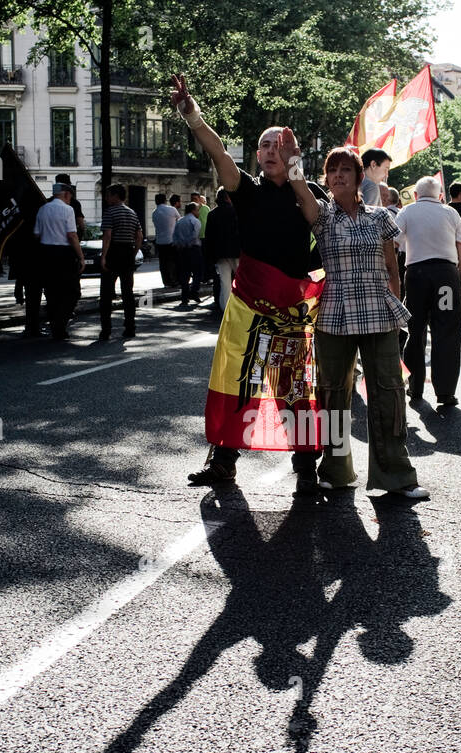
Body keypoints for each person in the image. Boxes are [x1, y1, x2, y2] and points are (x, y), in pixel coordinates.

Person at [170, 74, 324, 494]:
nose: (270, 151)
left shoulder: (307, 191)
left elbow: (316, 221)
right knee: (237, 382)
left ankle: (307, 468)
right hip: (247, 305)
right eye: (265, 145)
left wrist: (296, 171)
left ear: (292, 153)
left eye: (280, 145)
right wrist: (193, 117)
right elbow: (218, 152)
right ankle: (223, 462)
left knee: (293, 388)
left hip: (290, 309)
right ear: (256, 155)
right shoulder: (246, 189)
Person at [288, 143, 429, 499]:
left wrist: (396, 307)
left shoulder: (380, 217)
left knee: (389, 393)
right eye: (332, 171)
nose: (337, 176)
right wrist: (292, 160)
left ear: (358, 177)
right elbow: (299, 190)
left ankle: (396, 475)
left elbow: (393, 269)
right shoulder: (321, 215)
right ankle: (335, 472)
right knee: (332, 395)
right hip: (333, 316)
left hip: (379, 312)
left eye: (345, 170)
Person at [394, 175, 461, 406]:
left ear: (415, 195)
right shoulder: (451, 213)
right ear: (441, 196)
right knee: (446, 332)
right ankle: (445, 391)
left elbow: (394, 242)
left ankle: (415, 388)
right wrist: (460, 276)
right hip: (446, 274)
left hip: (416, 274)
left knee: (415, 331)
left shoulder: (406, 212)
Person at [32, 180, 85, 340]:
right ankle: (60, 324)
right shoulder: (68, 210)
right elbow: (72, 235)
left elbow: (36, 234)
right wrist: (81, 256)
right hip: (64, 254)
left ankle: (55, 323)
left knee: (51, 291)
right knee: (72, 291)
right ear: (67, 194)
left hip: (46, 253)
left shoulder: (42, 209)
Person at [100, 183, 143, 340]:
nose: (106, 198)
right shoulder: (132, 213)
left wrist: (103, 256)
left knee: (106, 293)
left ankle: (106, 330)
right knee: (127, 293)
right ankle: (130, 327)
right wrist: (133, 252)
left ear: (115, 196)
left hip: (113, 252)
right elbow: (139, 236)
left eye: (108, 194)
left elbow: (107, 236)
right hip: (127, 253)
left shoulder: (110, 212)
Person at [204, 187, 241, 319]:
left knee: (224, 281)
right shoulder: (236, 211)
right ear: (228, 197)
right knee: (242, 280)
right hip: (236, 251)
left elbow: (208, 236)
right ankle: (244, 307)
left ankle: (225, 307)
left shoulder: (212, 214)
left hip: (219, 253)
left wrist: (209, 255)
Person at [173, 202, 203, 307]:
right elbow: (195, 235)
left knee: (184, 274)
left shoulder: (179, 221)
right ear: (193, 210)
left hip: (182, 250)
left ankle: (184, 297)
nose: (198, 212)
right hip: (194, 249)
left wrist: (180, 244)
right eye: (197, 210)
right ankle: (194, 292)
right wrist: (188, 242)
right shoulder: (195, 221)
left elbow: (175, 236)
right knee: (197, 272)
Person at [152, 192, 180, 288]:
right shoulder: (172, 210)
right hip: (172, 240)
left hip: (160, 241)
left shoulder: (154, 213)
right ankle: (174, 280)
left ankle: (166, 282)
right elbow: (179, 221)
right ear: (165, 200)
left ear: (156, 201)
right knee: (173, 262)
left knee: (163, 263)